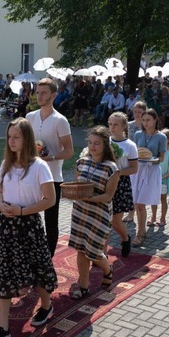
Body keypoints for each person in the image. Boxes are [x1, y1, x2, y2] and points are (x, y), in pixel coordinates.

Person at [0, 118, 57, 337]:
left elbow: (50, 200)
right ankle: (3, 327)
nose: (11, 141)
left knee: (37, 270)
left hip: (28, 227)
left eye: (16, 137)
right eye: (9, 137)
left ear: (26, 138)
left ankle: (46, 306)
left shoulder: (39, 166)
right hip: (5, 227)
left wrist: (22, 210)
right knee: (3, 273)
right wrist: (0, 203)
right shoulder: (6, 163)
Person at [68, 126, 120, 299]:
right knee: (81, 250)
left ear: (105, 145)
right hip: (80, 212)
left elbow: (108, 196)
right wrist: (73, 193)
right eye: (90, 143)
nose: (93, 147)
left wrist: (88, 198)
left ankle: (107, 269)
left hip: (99, 215)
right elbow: (77, 186)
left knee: (94, 252)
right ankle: (83, 286)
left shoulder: (112, 168)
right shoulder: (81, 162)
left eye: (97, 143)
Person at [27, 78, 74, 257]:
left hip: (52, 176)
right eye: (37, 92)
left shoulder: (60, 120)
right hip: (31, 175)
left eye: (44, 92)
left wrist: (51, 157)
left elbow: (69, 151)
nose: (39, 96)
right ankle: (32, 254)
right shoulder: (30, 117)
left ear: (54, 95)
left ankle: (48, 259)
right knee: (28, 216)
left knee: (50, 221)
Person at [131, 109, 166, 246]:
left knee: (142, 202)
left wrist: (154, 160)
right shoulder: (138, 134)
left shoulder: (161, 137)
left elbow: (162, 158)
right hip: (138, 170)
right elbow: (134, 153)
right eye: (143, 120)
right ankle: (141, 231)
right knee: (137, 203)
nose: (145, 123)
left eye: (148, 120)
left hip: (151, 171)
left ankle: (140, 234)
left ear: (155, 120)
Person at [107, 113, 137, 256]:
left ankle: (125, 238)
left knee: (115, 221)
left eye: (116, 124)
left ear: (124, 126)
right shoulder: (105, 141)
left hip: (120, 184)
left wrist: (118, 172)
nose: (112, 127)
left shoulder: (130, 145)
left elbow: (134, 168)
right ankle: (102, 254)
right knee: (104, 221)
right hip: (104, 181)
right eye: (110, 124)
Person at [150, 129, 169, 226]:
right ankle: (153, 217)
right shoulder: (157, 150)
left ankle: (163, 218)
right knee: (153, 198)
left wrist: (164, 177)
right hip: (154, 178)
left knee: (163, 199)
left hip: (164, 179)